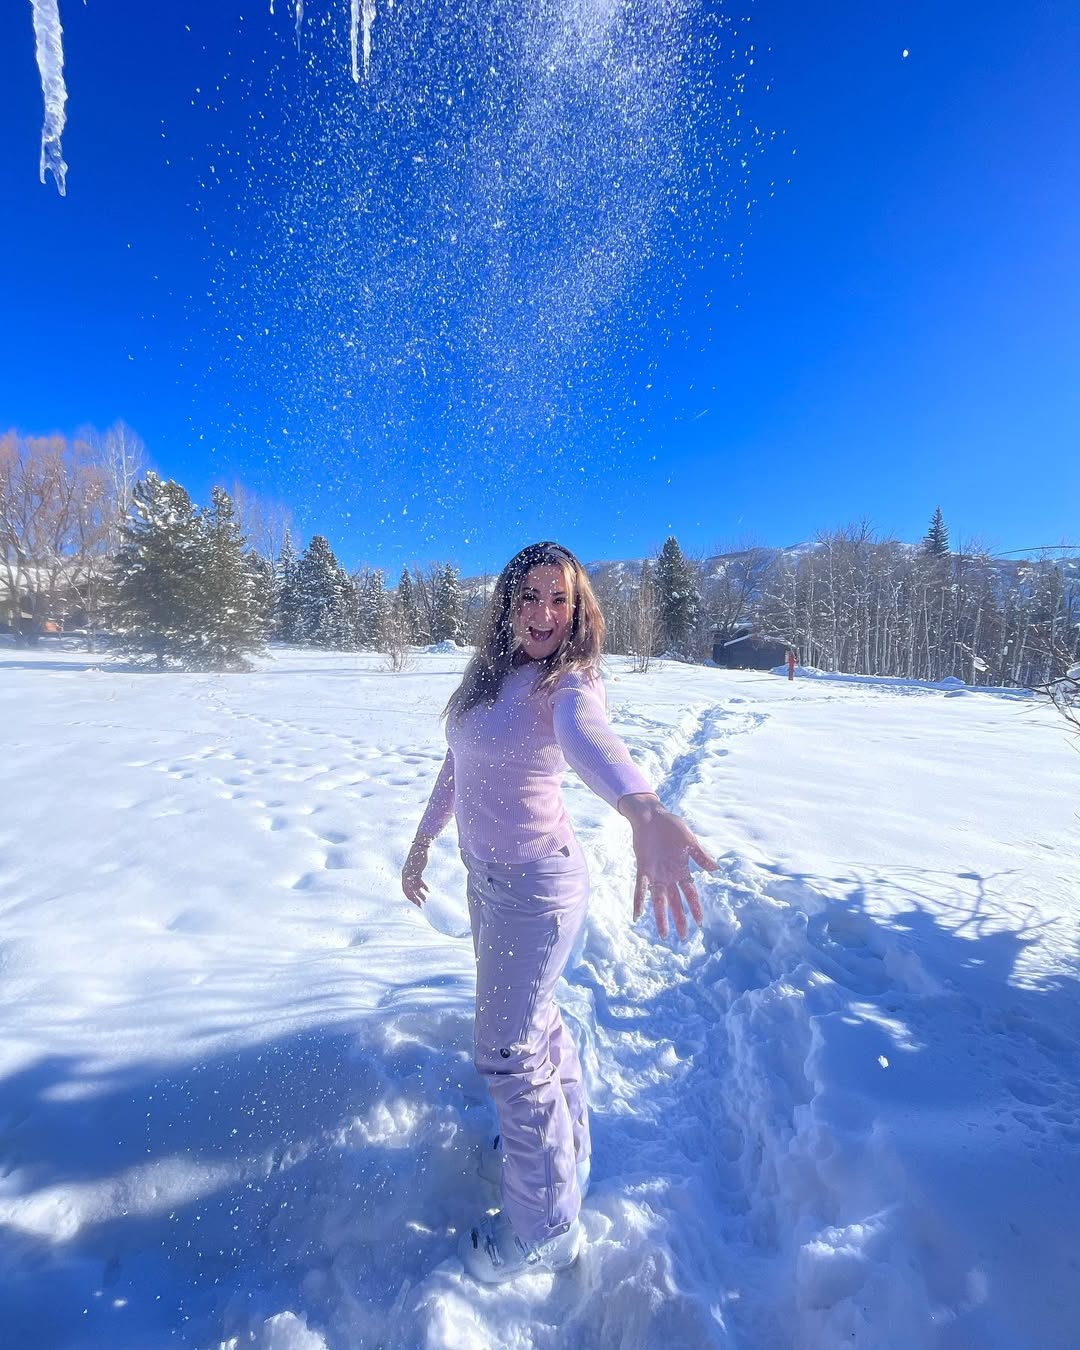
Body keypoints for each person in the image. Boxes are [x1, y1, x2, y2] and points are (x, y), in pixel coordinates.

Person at [401, 541, 716, 1283]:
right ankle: (558, 1150)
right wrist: (424, 837)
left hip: (536, 890)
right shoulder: (489, 676)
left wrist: (642, 806)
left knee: (505, 1052)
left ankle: (544, 1226)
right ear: (507, 604)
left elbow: (588, 735)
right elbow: (458, 762)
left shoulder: (569, 683)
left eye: (559, 599)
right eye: (529, 596)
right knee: (533, 1023)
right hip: (486, 880)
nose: (543, 613)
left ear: (577, 611)